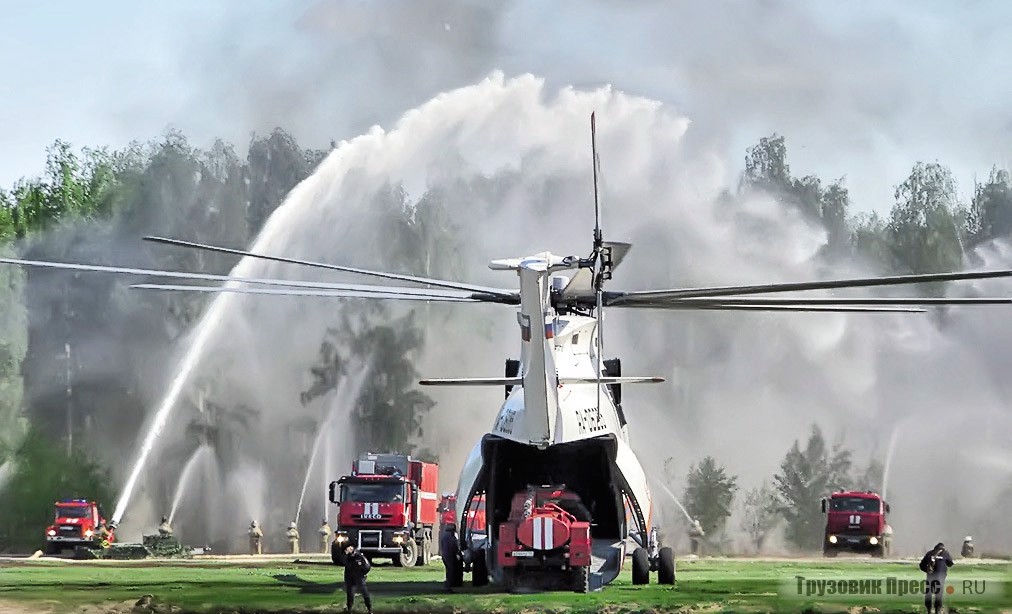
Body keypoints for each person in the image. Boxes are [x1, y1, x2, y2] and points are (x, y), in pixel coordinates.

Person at [919, 542, 954, 614]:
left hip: (930, 577)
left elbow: (921, 565)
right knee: (938, 595)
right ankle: (937, 611)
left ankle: (929, 611)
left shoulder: (929, 553)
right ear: (943, 548)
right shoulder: (945, 554)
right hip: (940, 578)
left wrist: (927, 570)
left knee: (928, 594)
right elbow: (950, 563)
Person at [343, 544, 373, 613]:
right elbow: (347, 569)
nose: (346, 551)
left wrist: (362, 574)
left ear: (351, 548)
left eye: (347, 549)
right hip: (350, 578)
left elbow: (367, 566)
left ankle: (369, 609)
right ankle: (349, 608)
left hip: (359, 578)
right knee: (350, 594)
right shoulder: (347, 557)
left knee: (364, 592)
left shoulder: (359, 556)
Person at [439, 523, 460, 592]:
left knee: (448, 571)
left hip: (445, 555)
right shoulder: (451, 537)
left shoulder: (444, 536)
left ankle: (448, 585)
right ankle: (448, 586)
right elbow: (454, 546)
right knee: (451, 572)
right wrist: (458, 553)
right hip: (449, 555)